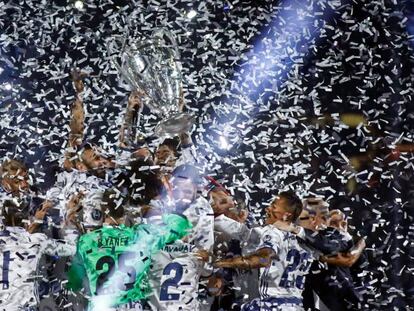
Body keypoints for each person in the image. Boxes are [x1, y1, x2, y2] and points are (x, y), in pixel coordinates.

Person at [67, 189, 192, 310]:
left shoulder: (86, 241)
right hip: (132, 306)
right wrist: (158, 214)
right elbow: (180, 225)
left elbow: (74, 282)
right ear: (124, 212)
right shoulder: (141, 236)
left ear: (100, 213)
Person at [214, 191, 313, 311]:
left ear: (287, 215)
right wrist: (216, 218)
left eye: (273, 206)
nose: (268, 208)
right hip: (296, 305)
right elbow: (245, 233)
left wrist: (220, 262)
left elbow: (263, 259)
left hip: (271, 305)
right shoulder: (307, 242)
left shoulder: (273, 232)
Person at [146, 165, 214, 311]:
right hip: (155, 284)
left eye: (187, 191)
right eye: (177, 190)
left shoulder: (203, 209)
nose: (181, 196)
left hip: (183, 286)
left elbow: (205, 262)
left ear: (196, 189)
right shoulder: (160, 203)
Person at [0, 202, 76, 310]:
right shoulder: (36, 240)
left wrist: (35, 224)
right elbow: (71, 248)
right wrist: (69, 219)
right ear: (25, 220)